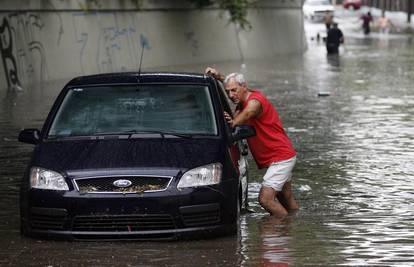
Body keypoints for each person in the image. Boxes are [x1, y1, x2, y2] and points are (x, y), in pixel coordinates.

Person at [205, 67, 299, 217]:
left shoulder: (255, 101)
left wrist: (234, 123)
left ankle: (283, 232)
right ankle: (295, 221)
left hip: (281, 158)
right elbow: (234, 88)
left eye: (234, 91)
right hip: (281, 155)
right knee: (285, 197)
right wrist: (220, 77)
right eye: (228, 92)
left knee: (266, 199)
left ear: (244, 87)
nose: (230, 95)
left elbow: (249, 112)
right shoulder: (241, 100)